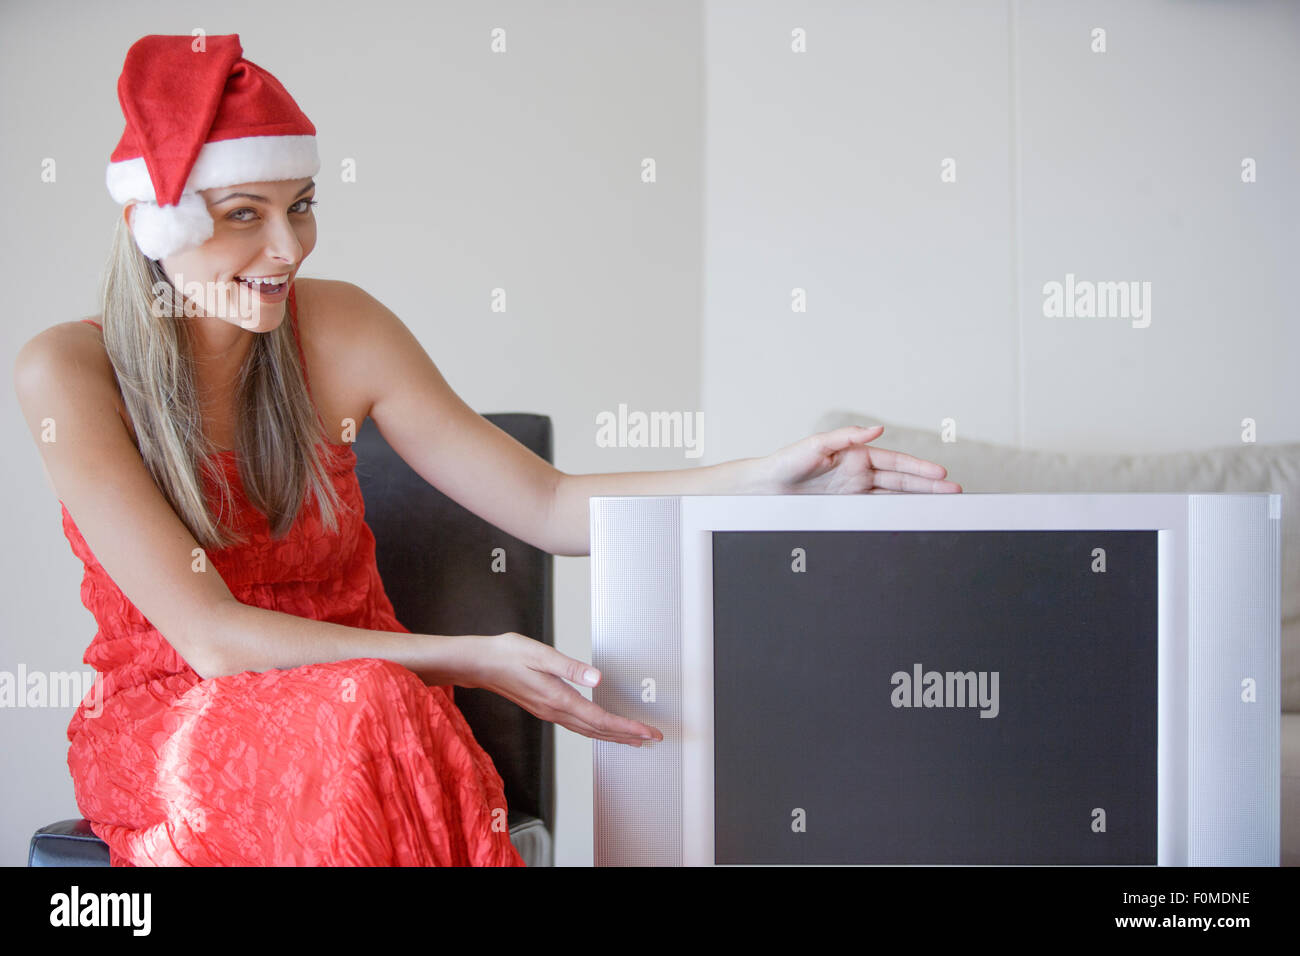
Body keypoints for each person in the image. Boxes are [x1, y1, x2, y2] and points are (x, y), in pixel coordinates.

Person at [12, 34, 961, 867]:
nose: (288, 248)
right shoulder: (67, 371)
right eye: (244, 215)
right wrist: (474, 660)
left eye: (299, 205)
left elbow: (547, 508)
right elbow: (212, 641)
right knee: (362, 712)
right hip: (181, 719)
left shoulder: (338, 329)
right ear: (160, 225)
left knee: (364, 712)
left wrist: (766, 483)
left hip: (370, 716)